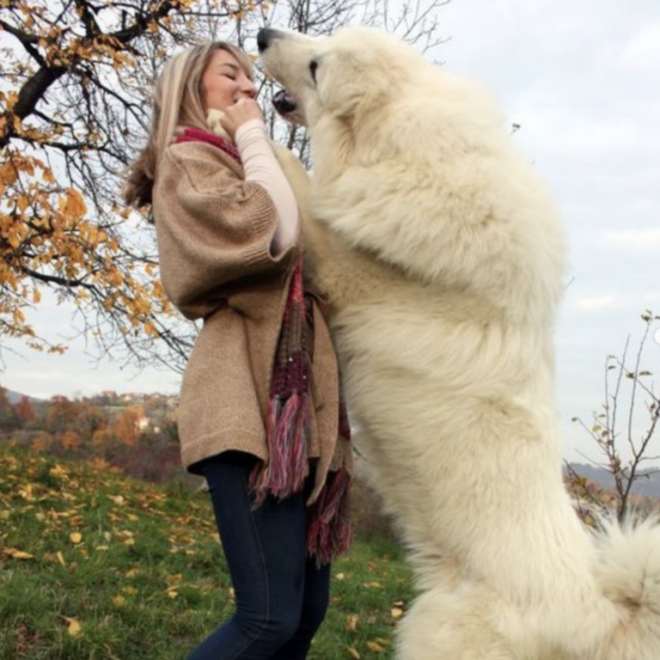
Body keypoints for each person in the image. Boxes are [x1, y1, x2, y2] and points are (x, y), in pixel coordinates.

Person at [122, 41, 353, 660]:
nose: (248, 87)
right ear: (190, 90)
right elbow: (271, 231)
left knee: (305, 614)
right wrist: (254, 135)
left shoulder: (244, 164)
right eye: (232, 75)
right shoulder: (189, 161)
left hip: (300, 415)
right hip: (247, 410)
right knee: (267, 618)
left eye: (251, 79)